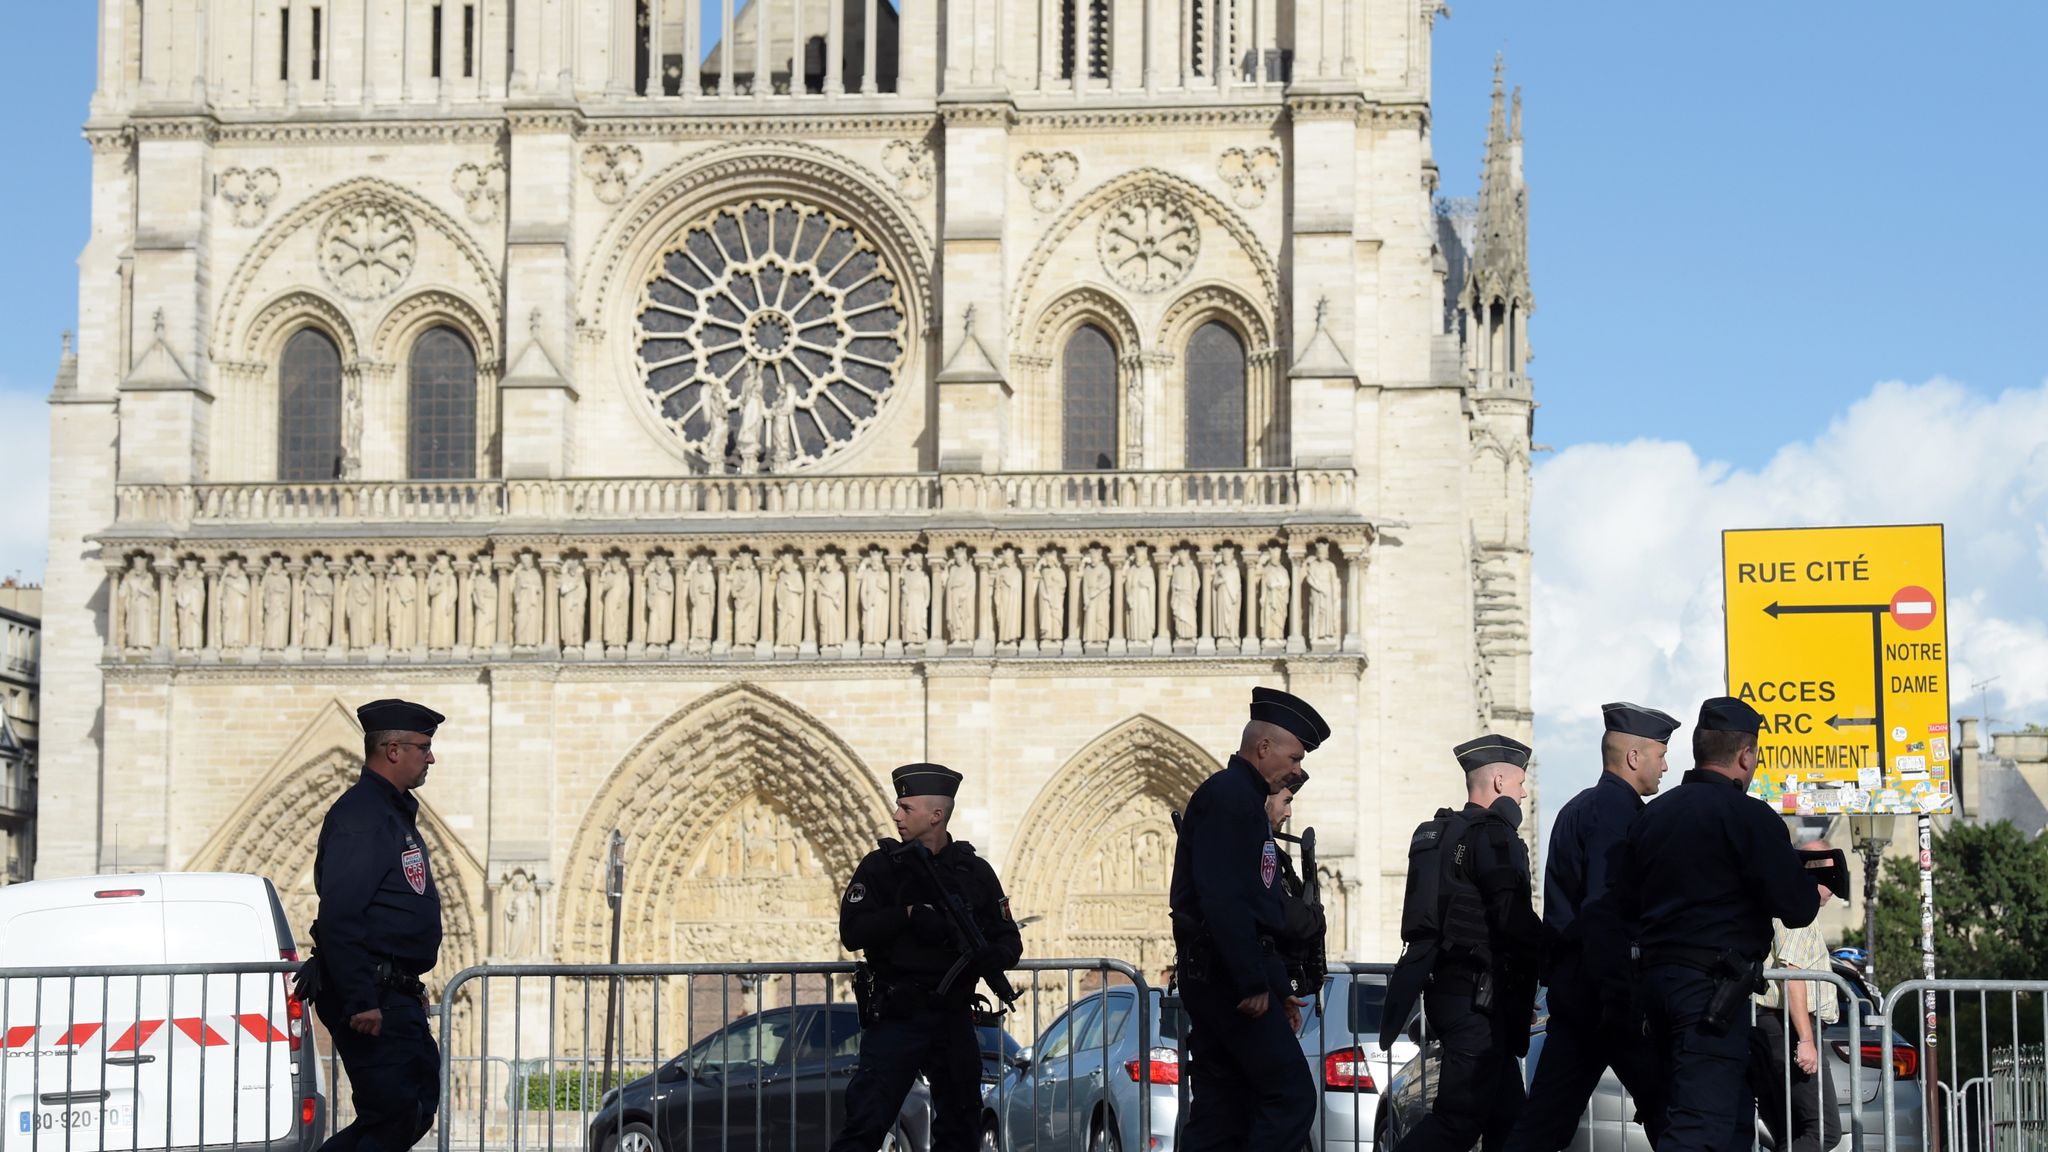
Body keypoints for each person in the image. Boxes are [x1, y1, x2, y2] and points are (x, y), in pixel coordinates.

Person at [1621, 697, 1821, 1152]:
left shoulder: (1652, 815)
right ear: (1746, 755)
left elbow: (1626, 901)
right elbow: (1797, 909)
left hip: (1656, 984)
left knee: (1729, 1124)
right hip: (1711, 992)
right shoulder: (1749, 818)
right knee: (1702, 1129)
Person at [1505, 702, 1680, 1152]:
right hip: (1608, 995)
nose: (1666, 765)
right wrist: (1620, 995)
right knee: (1674, 1117)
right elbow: (1604, 912)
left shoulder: (1578, 808)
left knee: (1543, 1124)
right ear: (1634, 757)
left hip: (1578, 991)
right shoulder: (1617, 815)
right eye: (1661, 754)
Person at [1168, 687, 1330, 1152]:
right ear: (1263, 748)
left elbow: (1260, 912)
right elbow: (1225, 901)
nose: (1298, 770)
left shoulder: (1241, 799)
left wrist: (1278, 988)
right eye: (1295, 757)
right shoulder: (1229, 798)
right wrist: (1251, 982)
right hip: (1227, 980)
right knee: (1291, 1096)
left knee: (1222, 1111)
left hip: (1226, 976)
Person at [830, 764, 1023, 1152]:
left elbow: (1009, 939)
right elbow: (852, 932)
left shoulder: (973, 871)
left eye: (906, 808)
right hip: (897, 1015)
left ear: (936, 815)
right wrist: (906, 916)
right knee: (866, 1124)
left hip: (953, 1017)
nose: (896, 816)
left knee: (961, 1126)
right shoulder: (881, 866)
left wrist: (989, 955)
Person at [1384, 735, 1547, 1152]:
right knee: (1459, 1119)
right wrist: (1558, 956)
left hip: (1454, 991)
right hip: (1477, 1000)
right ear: (1497, 780)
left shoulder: (1441, 833)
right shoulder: (1494, 836)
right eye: (1518, 782)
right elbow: (1512, 921)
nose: (1524, 792)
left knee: (1509, 1116)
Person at [303, 699, 447, 1152]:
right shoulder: (363, 816)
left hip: (392, 990)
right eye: (423, 748)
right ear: (392, 750)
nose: (431, 757)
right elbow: (341, 915)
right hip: (371, 993)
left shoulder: (390, 812)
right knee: (394, 1113)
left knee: (416, 1103)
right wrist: (363, 999)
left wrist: (408, 987)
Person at [1748, 841, 1844, 1152]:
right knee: (1823, 1133)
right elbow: (1793, 975)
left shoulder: (1781, 902)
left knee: (1791, 1135)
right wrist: (1805, 1039)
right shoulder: (1799, 906)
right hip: (1786, 1028)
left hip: (1774, 1027)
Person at [1263, 772, 1325, 997]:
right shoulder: (1257, 845)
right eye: (1286, 802)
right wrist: (1316, 917)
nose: (1289, 813)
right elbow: (1280, 910)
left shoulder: (1270, 847)